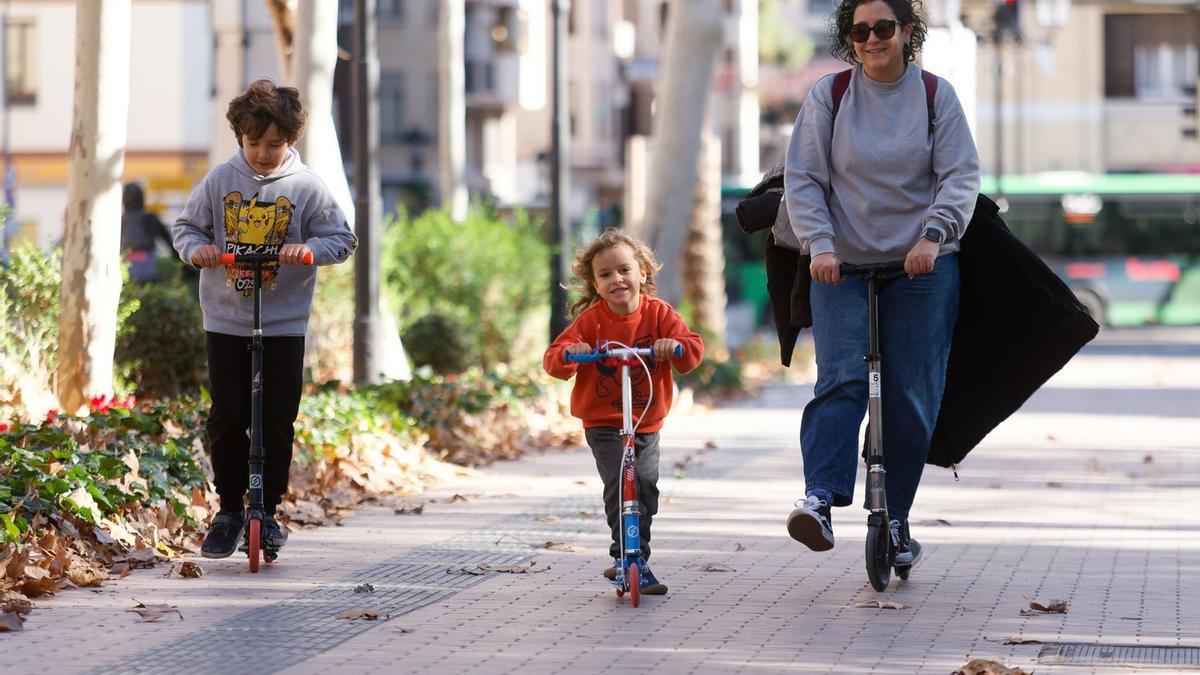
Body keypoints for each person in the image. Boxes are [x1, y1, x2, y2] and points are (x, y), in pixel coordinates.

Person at [782, 0, 980, 565]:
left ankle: (895, 520)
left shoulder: (935, 96)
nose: (872, 39)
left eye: (884, 28)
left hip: (921, 262)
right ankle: (819, 499)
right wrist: (820, 246)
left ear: (907, 31)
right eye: (860, 30)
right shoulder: (831, 95)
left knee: (911, 394)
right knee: (841, 378)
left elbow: (960, 176)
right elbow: (805, 177)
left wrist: (933, 237)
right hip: (839, 263)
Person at [172, 79, 358, 559]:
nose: (262, 153)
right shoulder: (218, 180)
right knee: (228, 415)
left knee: (277, 418)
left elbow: (342, 238)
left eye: (274, 144)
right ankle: (230, 508)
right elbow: (186, 227)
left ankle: (267, 511)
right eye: (254, 143)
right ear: (240, 137)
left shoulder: (306, 187)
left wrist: (309, 250)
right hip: (226, 318)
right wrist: (199, 251)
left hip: (283, 323)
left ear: (290, 140)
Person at [543, 228, 704, 595]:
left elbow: (692, 348)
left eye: (624, 270)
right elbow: (554, 359)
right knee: (621, 484)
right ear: (595, 284)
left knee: (645, 488)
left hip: (646, 420)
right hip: (604, 422)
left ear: (642, 273)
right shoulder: (592, 321)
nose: (617, 279)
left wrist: (673, 346)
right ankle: (624, 559)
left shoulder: (659, 314)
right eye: (605, 274)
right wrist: (573, 353)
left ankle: (638, 559)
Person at [121, 182, 173, 283]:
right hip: (146, 273)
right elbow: (170, 243)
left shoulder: (118, 221)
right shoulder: (150, 218)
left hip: (125, 273)